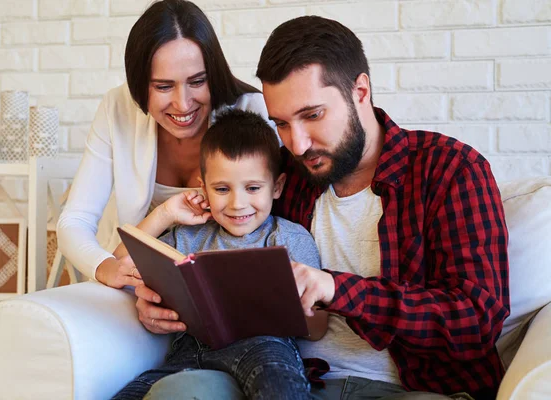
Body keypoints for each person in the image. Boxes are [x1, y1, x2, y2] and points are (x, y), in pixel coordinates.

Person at [144, 15, 510, 400]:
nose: (298, 144)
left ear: (361, 92)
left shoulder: (451, 169)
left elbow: (477, 320)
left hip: (413, 389)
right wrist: (161, 300)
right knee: (179, 391)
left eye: (312, 115)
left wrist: (338, 289)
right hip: (290, 379)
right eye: (282, 123)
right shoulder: (285, 175)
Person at [56, 0, 274, 335]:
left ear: (213, 73)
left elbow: (275, 220)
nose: (183, 104)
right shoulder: (118, 108)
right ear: (139, 83)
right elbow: (76, 220)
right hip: (135, 290)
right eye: (163, 86)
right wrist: (106, 266)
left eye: (197, 81)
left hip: (225, 304)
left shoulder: (250, 112)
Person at [112, 109, 328, 400]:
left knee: (279, 385)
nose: (238, 204)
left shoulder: (290, 238)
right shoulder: (188, 236)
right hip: (189, 349)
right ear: (204, 188)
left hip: (263, 345)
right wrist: (165, 214)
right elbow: (120, 260)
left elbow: (317, 329)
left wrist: (287, 304)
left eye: (253, 188)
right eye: (222, 189)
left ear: (276, 187)